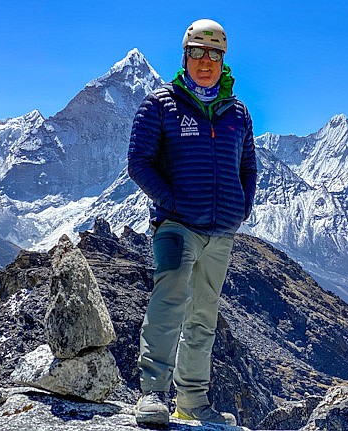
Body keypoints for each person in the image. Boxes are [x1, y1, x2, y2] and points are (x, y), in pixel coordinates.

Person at [127, 18, 257, 427]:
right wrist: (173, 201)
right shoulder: (161, 104)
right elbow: (139, 164)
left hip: (221, 231)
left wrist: (242, 207)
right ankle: (152, 395)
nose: (205, 62)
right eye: (197, 53)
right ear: (185, 56)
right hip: (177, 227)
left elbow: (248, 166)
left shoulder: (236, 112)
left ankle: (192, 401)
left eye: (214, 54)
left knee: (204, 314)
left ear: (223, 60)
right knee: (168, 306)